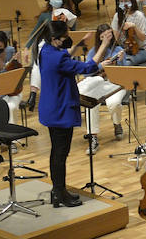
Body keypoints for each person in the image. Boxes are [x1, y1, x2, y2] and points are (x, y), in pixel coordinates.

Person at [37, 20, 108, 204]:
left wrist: (79, 45)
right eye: (65, 37)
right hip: (61, 109)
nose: (67, 38)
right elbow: (89, 67)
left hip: (50, 107)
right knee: (61, 153)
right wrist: (104, 45)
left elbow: (63, 55)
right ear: (55, 39)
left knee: (56, 152)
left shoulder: (45, 50)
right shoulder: (58, 57)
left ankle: (57, 191)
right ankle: (60, 194)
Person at [112, 0, 146, 66]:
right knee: (113, 61)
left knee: (126, 64)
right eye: (121, 1)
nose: (124, 4)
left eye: (126, 1)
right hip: (125, 50)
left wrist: (134, 27)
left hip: (142, 50)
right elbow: (117, 39)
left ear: (132, 1)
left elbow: (143, 38)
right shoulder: (117, 16)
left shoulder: (139, 16)